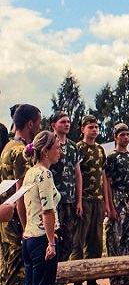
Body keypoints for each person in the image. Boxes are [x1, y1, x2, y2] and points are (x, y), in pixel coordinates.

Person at [0, 104, 42, 285]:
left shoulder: (7, 148)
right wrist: (27, 229)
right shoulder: (22, 152)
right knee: (17, 276)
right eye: (39, 122)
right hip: (16, 222)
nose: (40, 126)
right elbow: (22, 192)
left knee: (6, 271)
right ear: (30, 124)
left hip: (6, 222)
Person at [20, 130, 61, 285]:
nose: (60, 150)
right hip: (41, 241)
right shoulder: (44, 175)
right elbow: (47, 210)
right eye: (57, 147)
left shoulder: (30, 173)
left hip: (29, 238)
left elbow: (22, 205)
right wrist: (51, 242)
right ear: (45, 151)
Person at [73, 115, 107, 285]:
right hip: (84, 201)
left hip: (98, 201)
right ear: (83, 129)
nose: (94, 130)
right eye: (91, 127)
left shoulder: (100, 150)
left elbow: (103, 175)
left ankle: (92, 281)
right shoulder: (77, 148)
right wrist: (77, 201)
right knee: (79, 242)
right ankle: (77, 282)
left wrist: (106, 202)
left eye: (96, 127)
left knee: (96, 243)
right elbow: (75, 176)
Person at [103, 123, 129, 285]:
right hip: (116, 197)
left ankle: (126, 277)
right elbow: (107, 184)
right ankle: (115, 279)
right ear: (115, 137)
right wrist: (110, 207)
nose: (126, 137)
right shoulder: (111, 158)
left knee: (128, 239)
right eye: (122, 134)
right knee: (114, 240)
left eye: (127, 134)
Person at [48, 111, 82, 262]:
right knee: (52, 239)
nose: (67, 124)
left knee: (68, 243)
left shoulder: (73, 147)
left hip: (69, 200)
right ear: (53, 125)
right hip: (53, 201)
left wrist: (79, 200)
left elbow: (78, 174)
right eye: (62, 122)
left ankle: (60, 277)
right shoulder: (49, 145)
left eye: (68, 121)